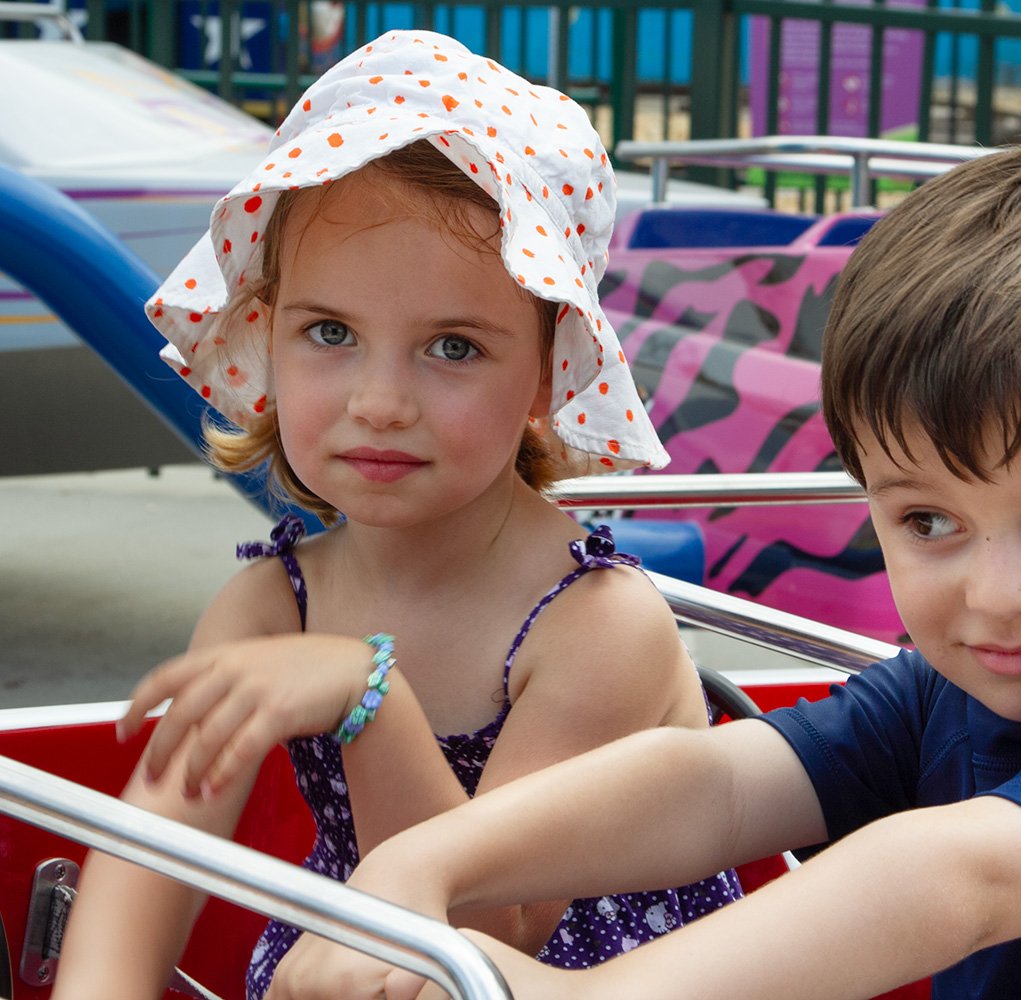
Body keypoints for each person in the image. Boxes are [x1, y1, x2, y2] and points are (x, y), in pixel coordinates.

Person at [176, 132, 1021, 1000]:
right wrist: (424, 867)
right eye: (930, 523)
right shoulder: (965, 682)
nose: (995, 593)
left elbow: (957, 877)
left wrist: (582, 989)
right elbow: (718, 783)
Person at [51, 30, 742, 1000]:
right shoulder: (270, 602)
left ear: (549, 373)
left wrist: (366, 697)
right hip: (343, 972)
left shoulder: (596, 623)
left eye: (452, 347)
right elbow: (142, 866)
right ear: (266, 331)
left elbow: (480, 933)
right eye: (330, 332)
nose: (380, 400)